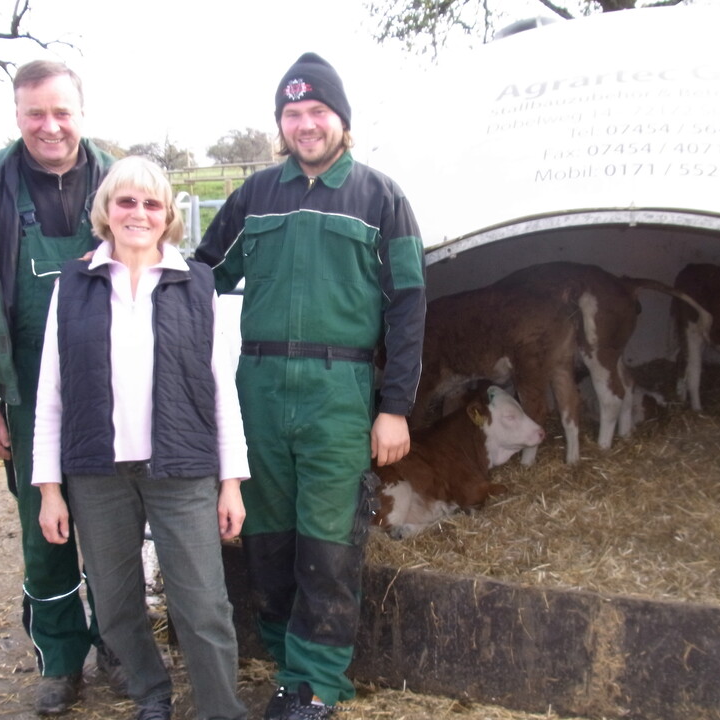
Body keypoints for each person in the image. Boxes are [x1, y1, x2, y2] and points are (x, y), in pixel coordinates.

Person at [195, 52, 427, 720]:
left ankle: (317, 683)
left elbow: (408, 304)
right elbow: (203, 272)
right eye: (292, 114)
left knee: (328, 540)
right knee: (266, 535)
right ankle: (283, 663)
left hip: (339, 388)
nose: (305, 125)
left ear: (341, 121)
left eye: (317, 112)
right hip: (259, 385)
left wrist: (395, 409)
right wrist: (131, 276)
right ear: (281, 124)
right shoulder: (255, 196)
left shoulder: (381, 198)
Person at [32, 156, 249, 720]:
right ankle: (152, 693)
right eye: (126, 201)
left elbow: (222, 389)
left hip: (182, 468)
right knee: (115, 601)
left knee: (203, 604)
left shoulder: (195, 284)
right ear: (105, 210)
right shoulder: (73, 285)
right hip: (97, 473)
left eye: (152, 203)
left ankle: (219, 710)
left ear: (168, 216)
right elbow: (51, 392)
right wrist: (49, 488)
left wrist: (232, 483)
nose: (138, 213)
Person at [0, 60, 121, 715]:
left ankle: (122, 649)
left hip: (112, 399)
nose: (50, 125)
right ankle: (61, 661)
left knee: (113, 531)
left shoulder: (115, 182)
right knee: (47, 536)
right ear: (18, 117)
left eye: (61, 111)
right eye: (35, 113)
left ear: (80, 112)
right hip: (26, 393)